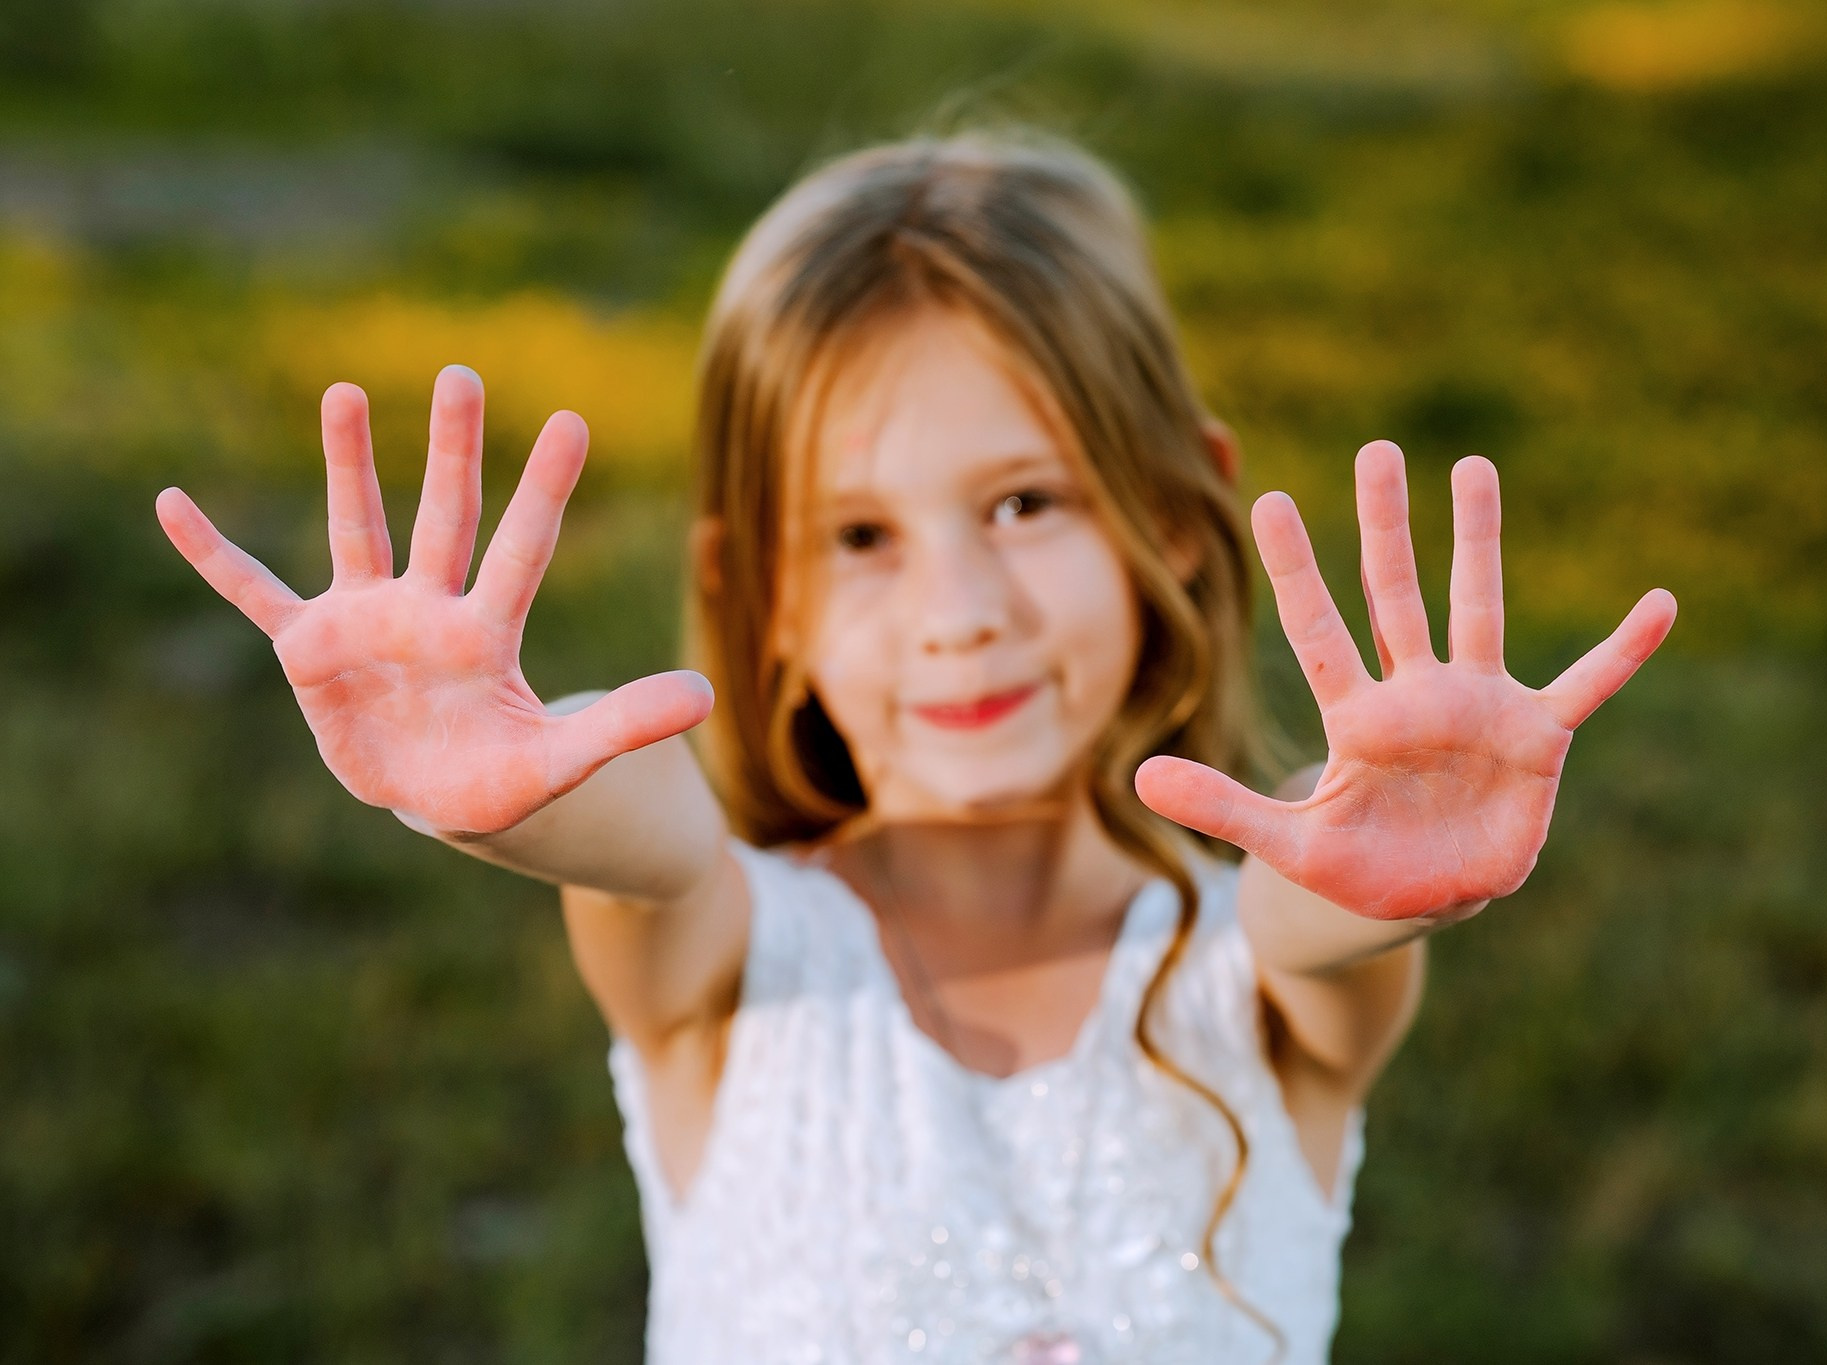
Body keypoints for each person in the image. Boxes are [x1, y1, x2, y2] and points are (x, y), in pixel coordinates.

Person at [154, 132, 1676, 1364]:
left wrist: (1374, 836)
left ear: (1171, 513)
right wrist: (493, 793)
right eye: (862, 536)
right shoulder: (726, 959)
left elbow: (1313, 912)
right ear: (764, 599)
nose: (959, 610)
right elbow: (654, 844)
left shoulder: (1272, 994)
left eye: (1026, 502)